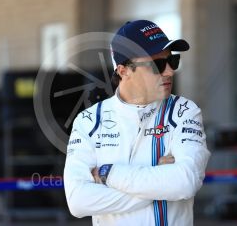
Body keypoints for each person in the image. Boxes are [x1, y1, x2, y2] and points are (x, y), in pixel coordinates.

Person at [64, 20, 211, 225]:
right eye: (157, 65)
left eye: (173, 61)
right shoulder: (88, 122)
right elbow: (78, 201)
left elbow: (186, 182)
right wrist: (160, 183)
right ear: (124, 71)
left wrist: (109, 174)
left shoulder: (184, 111)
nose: (169, 71)